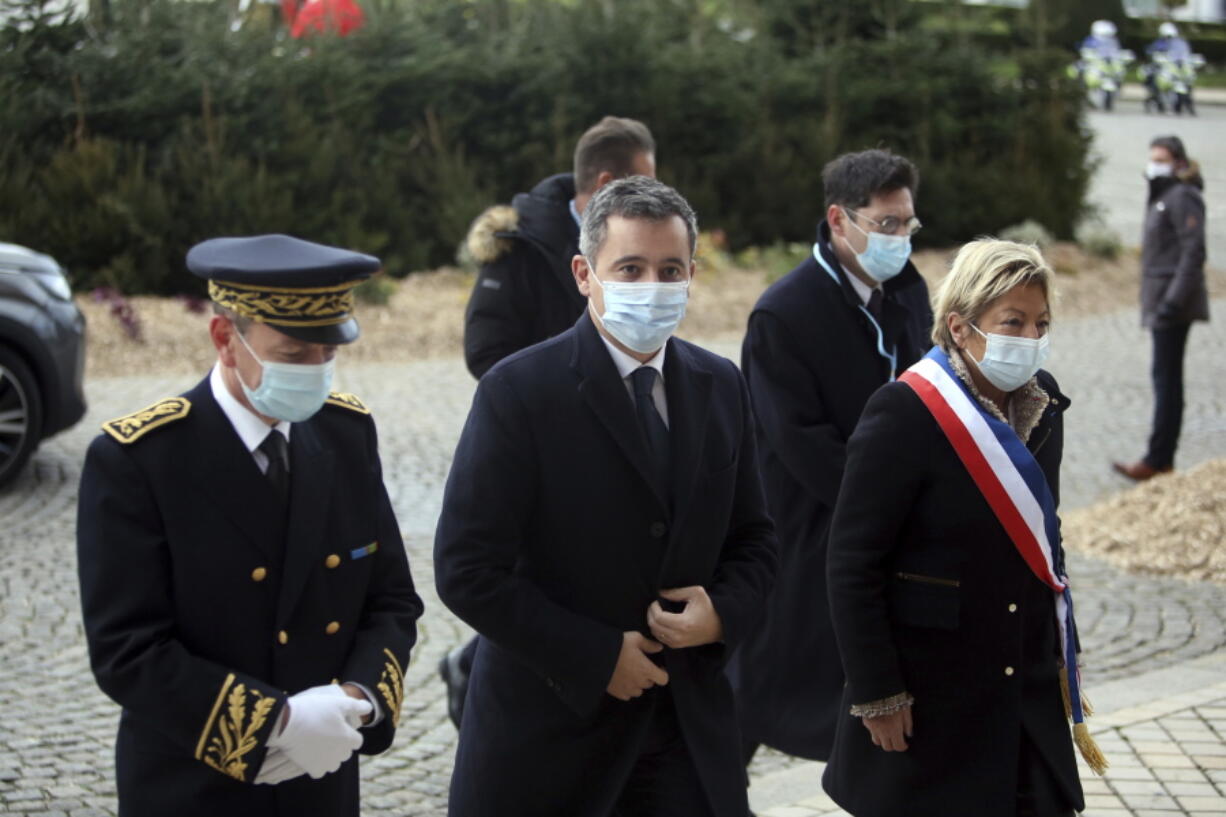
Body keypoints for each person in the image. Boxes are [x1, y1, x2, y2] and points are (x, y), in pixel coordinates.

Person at [434, 177, 777, 817]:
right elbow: (466, 570)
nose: (652, 287)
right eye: (630, 268)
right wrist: (594, 658)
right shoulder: (519, 392)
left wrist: (722, 613)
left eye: (669, 269)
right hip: (553, 736)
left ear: (692, 274)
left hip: (686, 732)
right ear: (585, 274)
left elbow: (755, 538)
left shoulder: (720, 384)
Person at [76, 234, 424, 817]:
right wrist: (276, 721)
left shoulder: (344, 434)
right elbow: (127, 650)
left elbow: (391, 600)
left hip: (322, 778)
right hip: (195, 782)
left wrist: (357, 701)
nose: (316, 371)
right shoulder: (139, 460)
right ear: (225, 340)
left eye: (327, 354)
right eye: (293, 354)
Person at [822, 239, 1100, 817]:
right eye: (1011, 322)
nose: (1028, 338)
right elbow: (852, 563)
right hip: (933, 694)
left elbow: (1040, 529)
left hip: (1020, 684)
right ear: (960, 326)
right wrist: (878, 693)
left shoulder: (1042, 402)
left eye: (1040, 323)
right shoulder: (903, 411)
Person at [440, 116, 657, 726]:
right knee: (533, 568)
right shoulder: (523, 241)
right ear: (608, 181)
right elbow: (485, 349)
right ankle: (477, 666)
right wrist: (559, 391)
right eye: (645, 183)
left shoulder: (637, 242)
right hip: (541, 435)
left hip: (619, 429)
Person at [728, 149, 932, 765]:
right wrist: (884, 501)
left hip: (888, 522)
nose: (900, 239)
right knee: (763, 685)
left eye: (908, 224)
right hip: (809, 524)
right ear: (839, 221)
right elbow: (799, 443)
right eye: (886, 225)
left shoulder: (907, 288)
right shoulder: (783, 313)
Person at [1114, 135, 1208, 481]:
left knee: (1167, 381)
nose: (1154, 165)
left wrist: (1172, 301)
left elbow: (1193, 252)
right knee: (1164, 379)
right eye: (1152, 158)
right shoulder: (1163, 193)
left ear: (1179, 162)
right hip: (1161, 302)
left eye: (1162, 159)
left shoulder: (1182, 196)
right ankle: (1159, 456)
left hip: (1172, 306)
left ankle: (1159, 458)